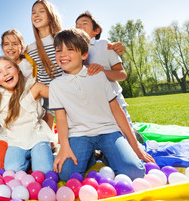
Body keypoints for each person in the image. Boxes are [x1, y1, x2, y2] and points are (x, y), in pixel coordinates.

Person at [49, 28, 155, 181]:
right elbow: (61, 119)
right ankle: (89, 157)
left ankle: (108, 154)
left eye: (70, 49)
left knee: (134, 172)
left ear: (84, 54)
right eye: (58, 50)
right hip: (79, 135)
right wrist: (64, 146)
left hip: (108, 131)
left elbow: (116, 110)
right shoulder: (56, 85)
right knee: (66, 175)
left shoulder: (97, 75)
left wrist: (135, 145)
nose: (63, 54)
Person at [75, 11, 144, 143]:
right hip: (92, 107)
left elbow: (122, 75)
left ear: (96, 30)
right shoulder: (73, 50)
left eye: (84, 24)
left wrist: (102, 71)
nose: (79, 27)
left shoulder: (104, 45)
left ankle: (133, 132)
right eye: (77, 25)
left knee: (129, 141)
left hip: (114, 103)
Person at [0, 56, 56, 174]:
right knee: (12, 170)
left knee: (43, 171)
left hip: (38, 138)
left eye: (9, 67)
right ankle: (32, 159)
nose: (6, 73)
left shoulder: (33, 88)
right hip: (16, 142)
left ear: (18, 70)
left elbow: (61, 94)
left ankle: (44, 155)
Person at [24, 0, 63, 129]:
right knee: (48, 139)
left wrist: (114, 46)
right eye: (33, 12)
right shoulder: (30, 48)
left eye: (42, 11)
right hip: (46, 96)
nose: (36, 15)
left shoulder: (62, 39)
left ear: (51, 16)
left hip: (67, 90)